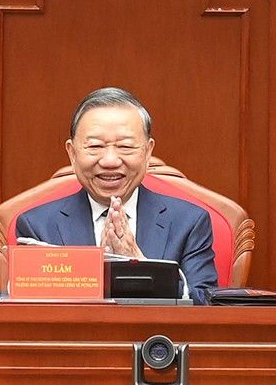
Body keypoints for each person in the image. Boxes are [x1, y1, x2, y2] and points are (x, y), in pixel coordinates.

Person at [14, 87, 221, 303]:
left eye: (125, 146)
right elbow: (31, 310)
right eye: (95, 146)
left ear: (148, 152)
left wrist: (144, 270)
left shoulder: (188, 222)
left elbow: (205, 302)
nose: (110, 161)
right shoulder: (37, 226)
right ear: (72, 153)